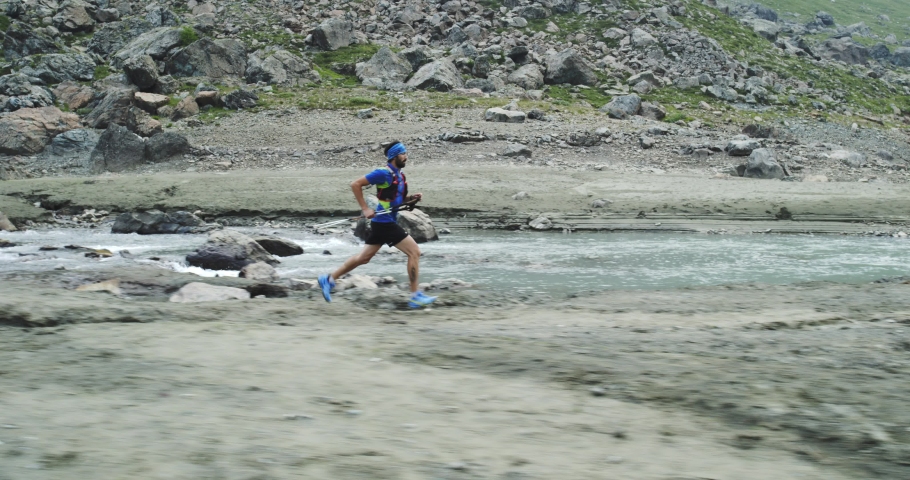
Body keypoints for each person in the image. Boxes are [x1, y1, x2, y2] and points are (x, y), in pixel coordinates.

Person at [317, 141, 437, 309]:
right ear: (394, 156)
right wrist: (365, 208)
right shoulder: (383, 173)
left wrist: (411, 199)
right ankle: (415, 296)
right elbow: (355, 184)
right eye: (403, 153)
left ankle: (328, 279)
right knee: (414, 252)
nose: (406, 156)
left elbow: (396, 200)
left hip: (382, 222)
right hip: (385, 223)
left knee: (363, 258)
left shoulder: (400, 176)